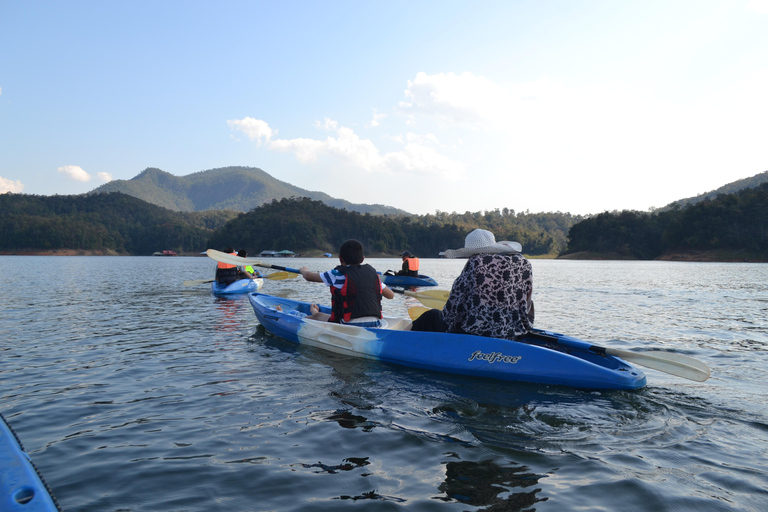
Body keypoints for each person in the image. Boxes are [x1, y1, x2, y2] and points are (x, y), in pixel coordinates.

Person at [410, 229, 534, 339]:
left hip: (478, 333)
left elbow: (454, 307)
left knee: (430, 316)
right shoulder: (523, 263)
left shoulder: (476, 262)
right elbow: (528, 302)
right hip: (515, 331)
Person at [297, 239, 395, 327]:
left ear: (340, 259)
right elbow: (391, 295)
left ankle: (309, 315)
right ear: (362, 259)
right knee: (319, 314)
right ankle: (314, 312)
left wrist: (303, 270)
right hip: (375, 323)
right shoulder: (373, 275)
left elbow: (309, 277)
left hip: (348, 324)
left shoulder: (336, 274)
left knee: (318, 316)